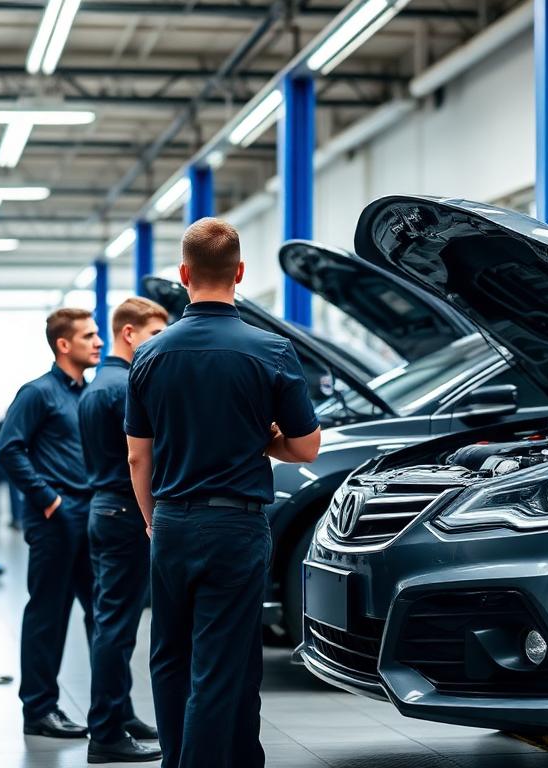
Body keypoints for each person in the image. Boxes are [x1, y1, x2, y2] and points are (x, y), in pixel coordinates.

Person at [124, 218, 322, 768]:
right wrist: (268, 442)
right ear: (239, 273)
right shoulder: (271, 350)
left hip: (171, 522)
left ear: (184, 274)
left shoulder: (149, 355)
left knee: (170, 656)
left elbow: (138, 457)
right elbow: (307, 448)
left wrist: (153, 520)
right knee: (223, 663)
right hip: (236, 527)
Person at [0, 308, 102, 738]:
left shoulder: (89, 394)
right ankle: (39, 710)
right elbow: (8, 448)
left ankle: (113, 711)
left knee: (102, 614)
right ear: (63, 344)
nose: (98, 342)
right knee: (48, 615)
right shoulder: (37, 393)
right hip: (54, 521)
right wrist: (49, 500)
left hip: (91, 517)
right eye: (89, 335)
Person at [78, 298, 167, 764]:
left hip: (104, 507)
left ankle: (121, 714)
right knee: (115, 627)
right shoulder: (127, 386)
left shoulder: (98, 385)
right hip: (126, 512)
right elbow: (140, 457)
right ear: (129, 333)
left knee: (112, 623)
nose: (161, 344)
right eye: (154, 335)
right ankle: (107, 733)